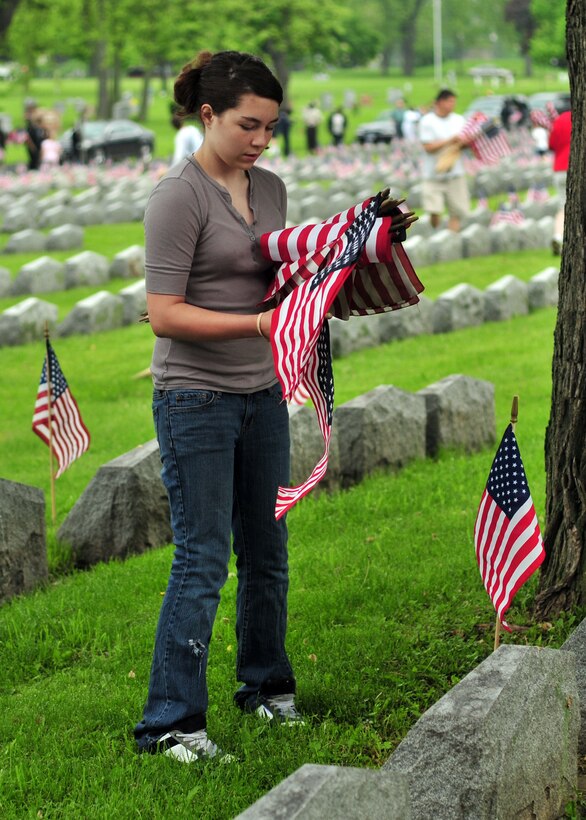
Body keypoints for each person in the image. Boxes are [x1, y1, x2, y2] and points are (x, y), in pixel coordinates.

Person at [134, 49, 301, 765]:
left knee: (268, 552)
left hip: (263, 394)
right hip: (195, 400)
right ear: (208, 115)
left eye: (271, 126)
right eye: (247, 125)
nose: (261, 140)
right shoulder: (178, 196)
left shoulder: (271, 188)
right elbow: (165, 314)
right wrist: (257, 326)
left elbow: (277, 281)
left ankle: (265, 688)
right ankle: (171, 723)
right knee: (204, 558)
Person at [418, 89, 471, 232]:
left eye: (454, 101)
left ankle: (452, 239)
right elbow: (428, 147)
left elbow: (465, 143)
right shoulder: (427, 121)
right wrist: (450, 140)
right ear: (440, 102)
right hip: (433, 173)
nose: (453, 104)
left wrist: (466, 142)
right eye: (450, 101)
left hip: (455, 172)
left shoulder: (459, 120)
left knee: (457, 211)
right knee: (434, 210)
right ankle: (435, 231)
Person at [548, 106, 572, 256]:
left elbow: (551, 144)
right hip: (578, 168)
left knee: (562, 207)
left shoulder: (559, 120)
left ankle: (557, 236)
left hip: (560, 168)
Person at [24, 101, 44, 171]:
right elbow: (28, 137)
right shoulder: (30, 125)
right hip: (34, 146)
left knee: (37, 160)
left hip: (37, 145)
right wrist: (32, 146)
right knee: (34, 160)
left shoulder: (36, 125)